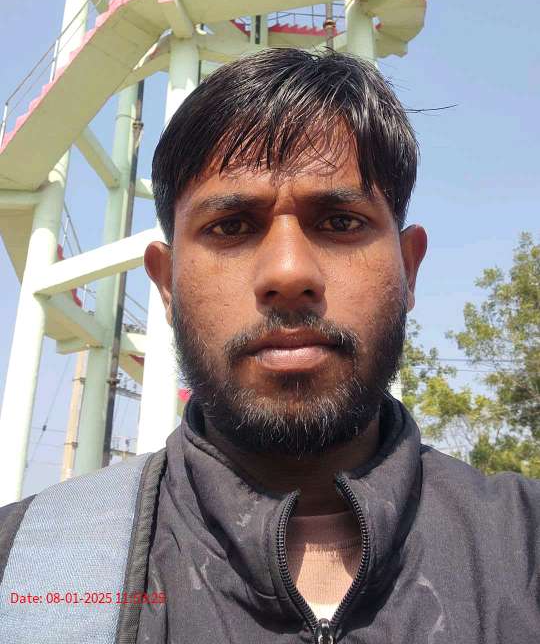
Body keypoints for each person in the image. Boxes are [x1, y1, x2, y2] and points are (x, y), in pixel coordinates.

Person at [0, 47, 538, 644]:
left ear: (409, 269)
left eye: (340, 221)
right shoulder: (19, 571)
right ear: (167, 285)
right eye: (231, 226)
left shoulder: (526, 551)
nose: (288, 272)